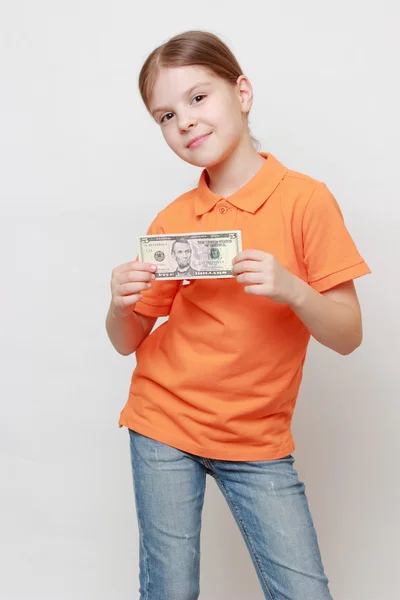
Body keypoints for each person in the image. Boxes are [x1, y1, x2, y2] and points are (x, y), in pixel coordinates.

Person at [106, 30, 370, 600]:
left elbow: (349, 335)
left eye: (199, 98)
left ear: (242, 92)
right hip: (163, 423)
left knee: (304, 592)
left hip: (256, 438)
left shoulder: (306, 200)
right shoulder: (173, 218)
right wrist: (119, 301)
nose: (185, 122)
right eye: (165, 115)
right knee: (170, 588)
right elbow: (127, 341)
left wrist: (293, 290)